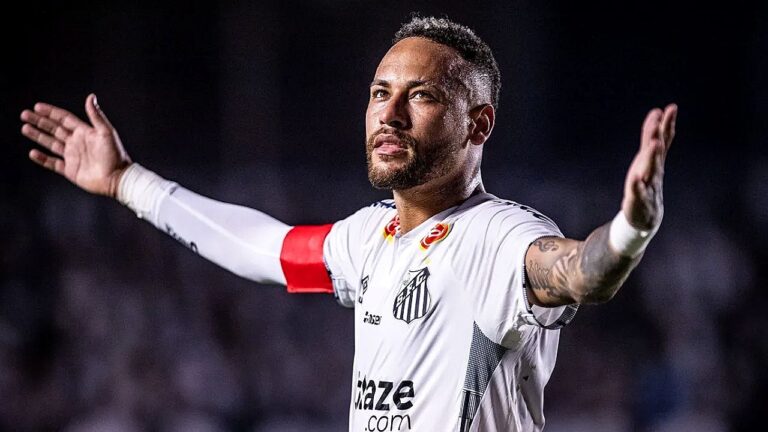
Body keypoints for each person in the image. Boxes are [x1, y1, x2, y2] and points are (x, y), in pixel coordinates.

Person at [19, 15, 676, 432]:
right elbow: (265, 249)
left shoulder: (496, 235)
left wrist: (630, 230)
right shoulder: (369, 239)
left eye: (420, 95)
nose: (387, 114)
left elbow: (580, 272)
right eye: (378, 93)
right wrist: (128, 181)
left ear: (479, 123)